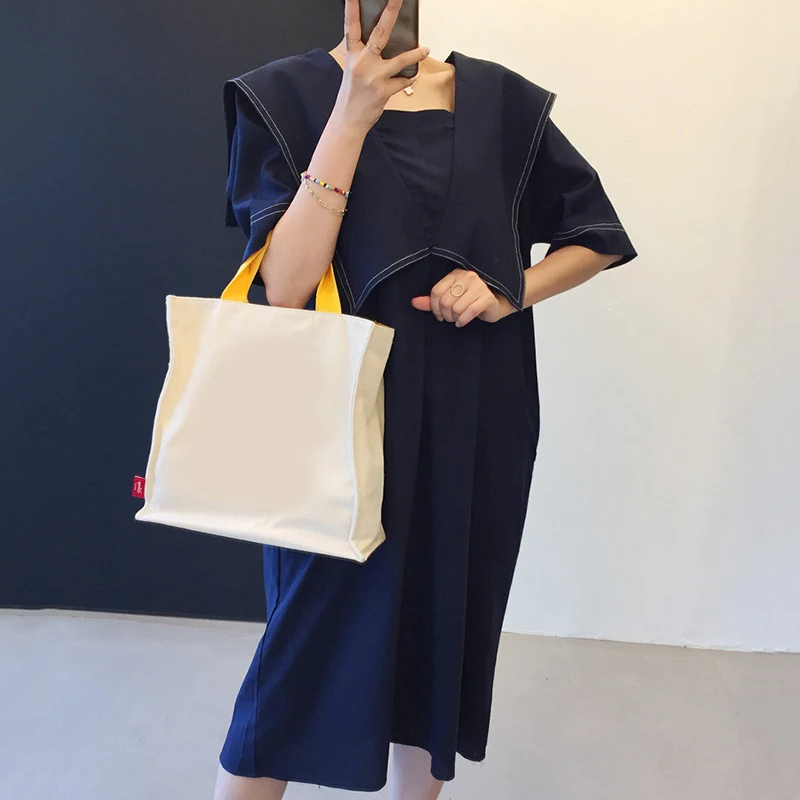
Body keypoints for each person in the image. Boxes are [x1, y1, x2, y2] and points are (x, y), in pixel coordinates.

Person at [214, 1, 637, 797]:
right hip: (336, 419)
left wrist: (510, 289)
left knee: (444, 637)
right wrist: (350, 116)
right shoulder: (283, 96)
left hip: (479, 412)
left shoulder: (504, 105)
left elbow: (597, 236)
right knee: (298, 661)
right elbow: (287, 286)